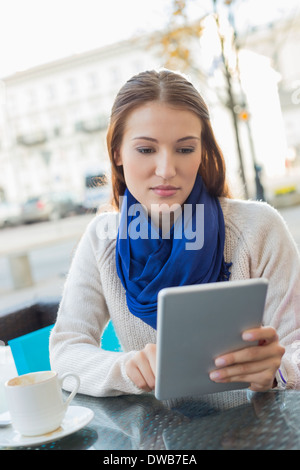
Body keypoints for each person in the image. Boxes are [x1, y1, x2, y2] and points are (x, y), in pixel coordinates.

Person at [49, 69, 300, 397]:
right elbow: (66, 350)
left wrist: (278, 371)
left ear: (202, 152)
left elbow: (295, 347)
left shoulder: (258, 228)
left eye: (184, 149)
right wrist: (125, 369)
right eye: (145, 149)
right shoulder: (103, 238)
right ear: (117, 154)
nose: (166, 170)